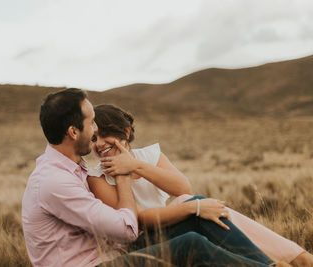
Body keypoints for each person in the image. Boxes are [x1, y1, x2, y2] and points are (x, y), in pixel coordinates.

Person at [22, 89, 276, 267]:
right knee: (189, 245)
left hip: (114, 253)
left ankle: (273, 265)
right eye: (91, 124)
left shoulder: (72, 166)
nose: (96, 130)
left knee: (197, 218)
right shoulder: (54, 182)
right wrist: (123, 176)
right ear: (73, 132)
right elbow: (127, 229)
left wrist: (193, 207)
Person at [87, 104, 313, 267]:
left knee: (191, 201)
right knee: (194, 205)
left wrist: (135, 165)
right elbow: (137, 220)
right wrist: (192, 208)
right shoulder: (97, 178)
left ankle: (287, 261)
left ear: (124, 133)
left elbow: (183, 187)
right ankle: (289, 260)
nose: (99, 144)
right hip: (142, 242)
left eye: (105, 135)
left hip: (168, 227)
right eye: (93, 138)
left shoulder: (149, 155)